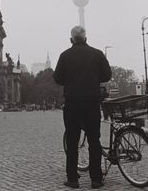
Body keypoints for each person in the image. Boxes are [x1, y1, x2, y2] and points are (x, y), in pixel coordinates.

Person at [53, 26, 111, 189]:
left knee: (72, 140)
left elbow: (57, 78)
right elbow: (107, 75)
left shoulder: (65, 55)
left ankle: (72, 179)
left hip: (72, 102)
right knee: (94, 139)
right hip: (92, 101)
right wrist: (92, 78)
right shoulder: (97, 54)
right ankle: (96, 179)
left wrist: (70, 81)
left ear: (71, 39)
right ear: (86, 38)